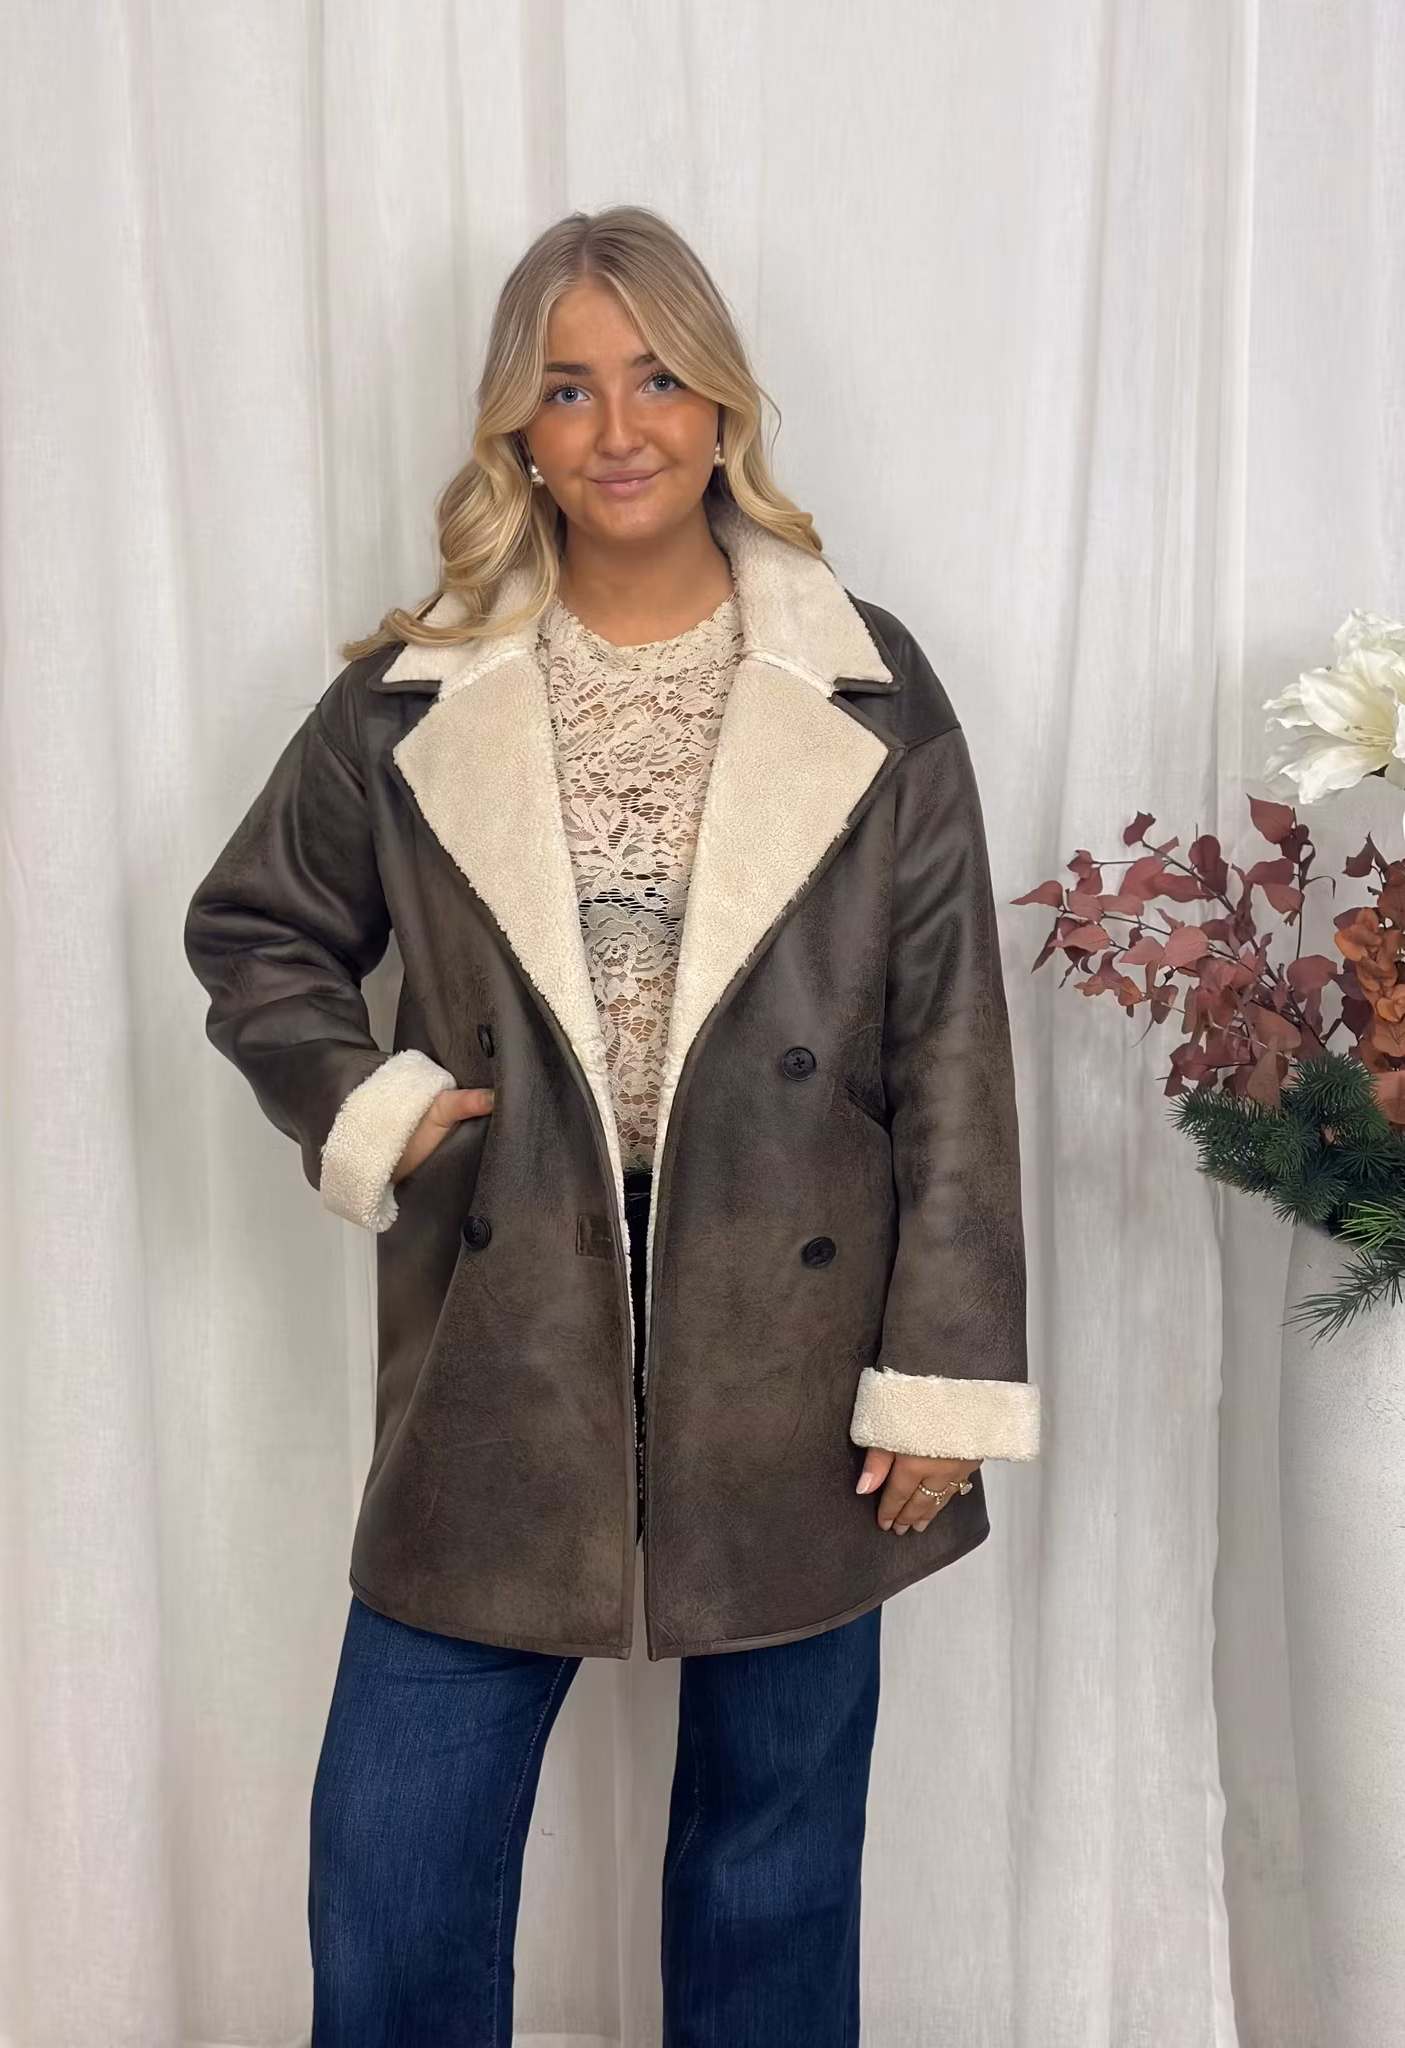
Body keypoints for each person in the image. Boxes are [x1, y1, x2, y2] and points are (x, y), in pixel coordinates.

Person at [183, 202, 1040, 2047]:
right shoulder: (409, 696)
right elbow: (258, 933)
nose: (619, 427)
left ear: (722, 403)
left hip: (798, 1336)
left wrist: (946, 1376)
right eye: (568, 388)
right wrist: (375, 1106)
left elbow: (953, 1046)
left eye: (657, 378)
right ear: (517, 423)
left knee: (773, 1873)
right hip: (507, 1325)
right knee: (396, 1851)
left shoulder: (869, 683)